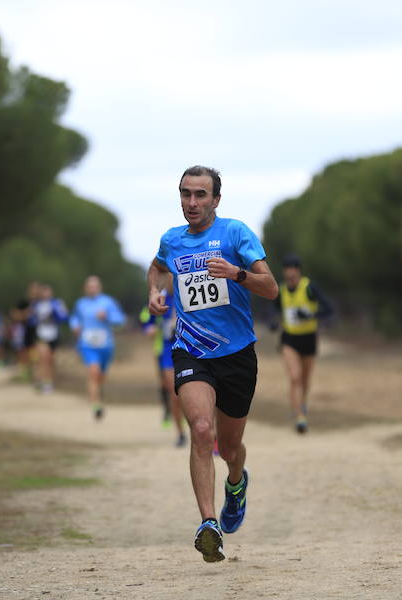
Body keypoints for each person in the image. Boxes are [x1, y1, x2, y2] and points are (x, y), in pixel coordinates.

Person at [147, 165, 278, 563]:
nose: (192, 202)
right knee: (202, 430)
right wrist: (154, 292)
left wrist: (237, 273)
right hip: (191, 351)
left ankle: (236, 486)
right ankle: (209, 525)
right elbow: (157, 268)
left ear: (216, 200)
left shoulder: (236, 233)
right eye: (186, 194)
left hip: (237, 354)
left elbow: (270, 288)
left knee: (230, 446)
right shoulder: (172, 241)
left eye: (200, 195)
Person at [271, 254, 334, 434]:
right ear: (284, 273)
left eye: (293, 270)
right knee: (295, 377)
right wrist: (273, 321)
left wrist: (311, 316)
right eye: (287, 270)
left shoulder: (309, 288)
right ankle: (300, 417)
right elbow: (273, 310)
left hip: (309, 338)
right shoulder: (281, 290)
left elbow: (329, 309)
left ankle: (301, 405)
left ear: (298, 272)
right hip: (289, 339)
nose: (290, 274)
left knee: (305, 381)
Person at [69, 275, 125, 419]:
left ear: (99, 287)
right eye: (89, 286)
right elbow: (74, 318)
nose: (92, 289)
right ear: (85, 288)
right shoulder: (80, 304)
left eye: (95, 286)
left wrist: (107, 317)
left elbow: (120, 319)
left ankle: (98, 393)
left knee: (101, 375)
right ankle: (96, 405)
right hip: (87, 344)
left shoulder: (108, 302)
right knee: (93, 372)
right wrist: (74, 326)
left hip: (106, 345)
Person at [140, 289, 187, 447]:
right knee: (174, 391)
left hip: (192, 348)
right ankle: (180, 433)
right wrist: (149, 328)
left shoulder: (188, 287)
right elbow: (147, 320)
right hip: (168, 349)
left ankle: (205, 430)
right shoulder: (160, 297)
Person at [31, 284, 69, 394]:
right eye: (44, 292)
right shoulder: (36, 305)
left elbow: (65, 317)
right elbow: (31, 320)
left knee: (51, 360)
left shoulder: (57, 303)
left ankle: (50, 381)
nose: (46, 294)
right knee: (44, 358)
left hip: (53, 334)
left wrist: (55, 313)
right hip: (41, 334)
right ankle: (44, 382)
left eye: (48, 292)